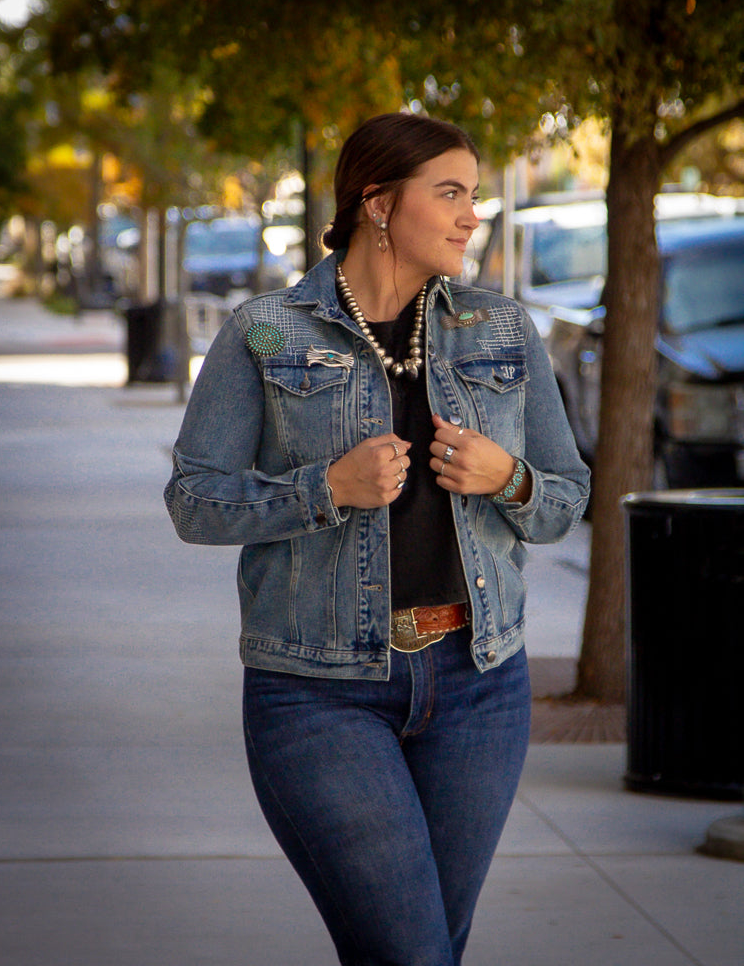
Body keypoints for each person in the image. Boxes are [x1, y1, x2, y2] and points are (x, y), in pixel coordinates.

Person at [164, 112, 590, 966]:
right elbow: (194, 500)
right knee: (409, 952)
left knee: (430, 948)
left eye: (474, 194)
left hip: (479, 684)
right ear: (379, 203)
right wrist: (326, 490)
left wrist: (507, 477)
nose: (473, 216)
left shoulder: (503, 330)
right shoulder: (266, 331)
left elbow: (564, 499)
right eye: (451, 193)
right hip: (318, 690)